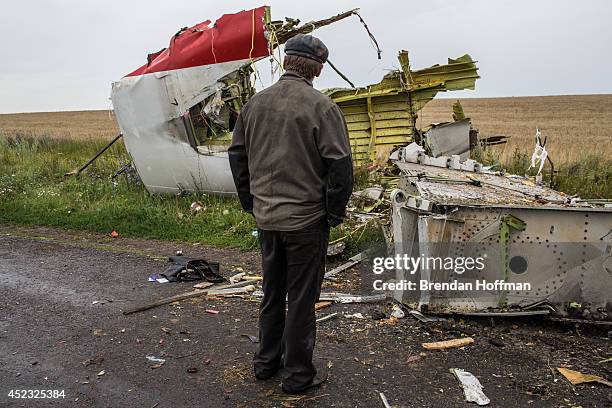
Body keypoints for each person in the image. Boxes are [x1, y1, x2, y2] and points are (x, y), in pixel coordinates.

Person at [228, 34, 353, 394]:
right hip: (305, 222)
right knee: (300, 297)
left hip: (267, 220)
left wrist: (251, 203)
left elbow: (237, 157)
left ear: (286, 62)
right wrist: (333, 214)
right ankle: (298, 375)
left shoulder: (254, 105)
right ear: (317, 69)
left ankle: (266, 363)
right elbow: (340, 169)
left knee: (272, 291)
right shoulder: (322, 107)